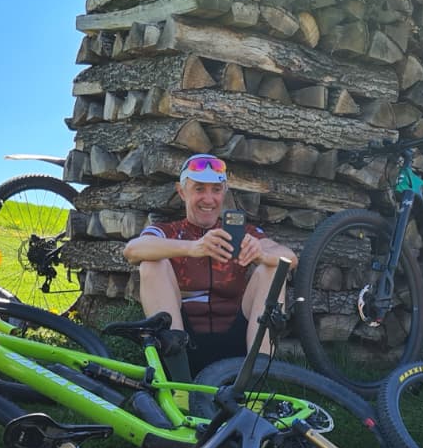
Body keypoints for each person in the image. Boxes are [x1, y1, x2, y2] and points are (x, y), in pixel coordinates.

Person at [122, 153, 295, 378]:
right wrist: (193, 248)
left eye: (216, 190)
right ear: (181, 191)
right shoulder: (168, 231)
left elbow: (290, 258)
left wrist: (261, 254)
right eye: (199, 189)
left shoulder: (242, 233)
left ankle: (255, 382)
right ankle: (181, 385)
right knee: (152, 264)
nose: (209, 199)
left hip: (239, 344)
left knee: (272, 268)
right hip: (183, 343)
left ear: (224, 192)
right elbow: (133, 250)